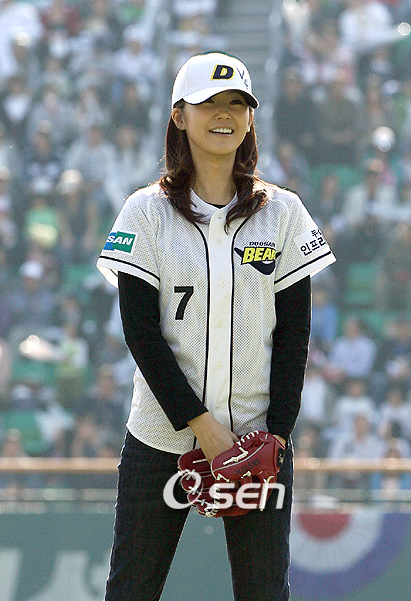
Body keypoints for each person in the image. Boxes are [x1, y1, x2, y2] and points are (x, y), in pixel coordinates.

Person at [96, 52, 336, 601]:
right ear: (179, 116)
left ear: (251, 119)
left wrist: (277, 435)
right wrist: (202, 426)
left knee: (264, 592)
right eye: (209, 103)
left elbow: (294, 336)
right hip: (161, 438)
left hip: (257, 441)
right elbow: (141, 334)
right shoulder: (144, 212)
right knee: (131, 590)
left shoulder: (284, 213)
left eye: (237, 104)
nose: (224, 114)